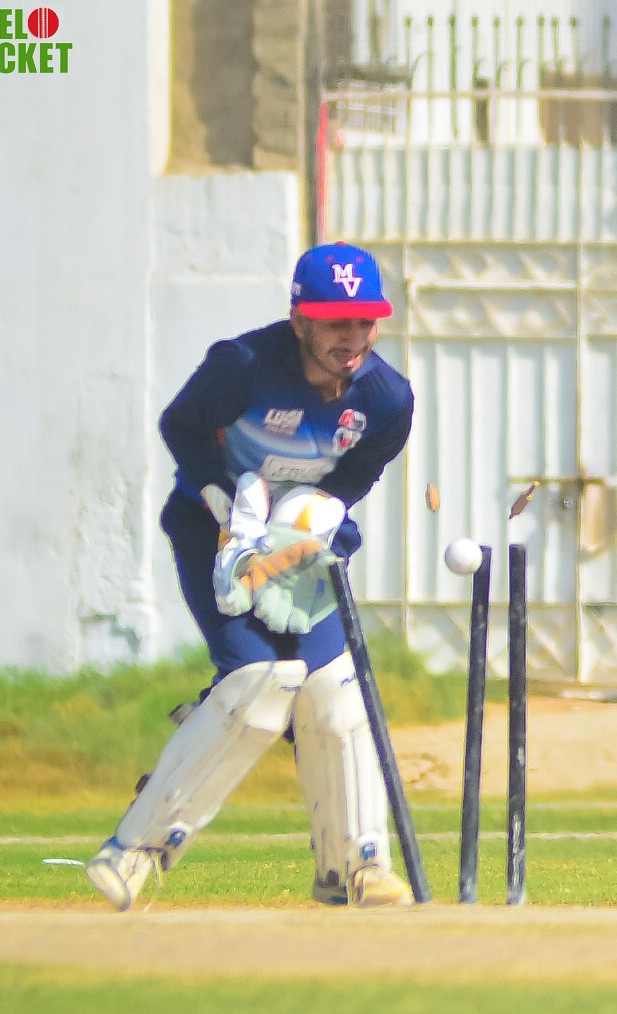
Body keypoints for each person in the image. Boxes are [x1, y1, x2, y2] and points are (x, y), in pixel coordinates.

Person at [86, 242, 417, 911]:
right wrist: (218, 496)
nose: (351, 337)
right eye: (334, 322)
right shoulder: (241, 366)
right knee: (260, 682)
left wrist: (322, 511)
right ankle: (134, 852)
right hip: (219, 535)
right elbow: (181, 423)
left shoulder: (387, 397)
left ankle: (355, 867)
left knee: (335, 689)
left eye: (364, 321)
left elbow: (362, 469)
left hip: (303, 548)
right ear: (299, 320)